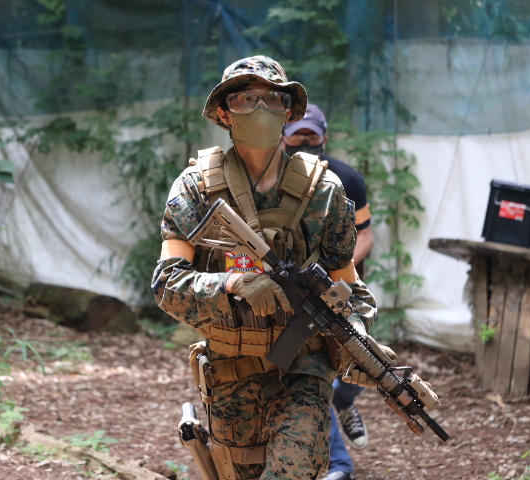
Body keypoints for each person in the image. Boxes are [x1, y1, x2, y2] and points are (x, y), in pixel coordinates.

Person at [152, 56, 394, 480]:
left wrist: (358, 338)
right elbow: (166, 284)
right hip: (229, 374)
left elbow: (350, 290)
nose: (260, 108)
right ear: (224, 113)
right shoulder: (195, 188)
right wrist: (233, 284)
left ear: (289, 111)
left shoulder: (325, 192)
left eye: (272, 99)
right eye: (246, 99)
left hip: (305, 371)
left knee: (291, 471)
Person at [282, 104, 374, 480]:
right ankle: (339, 465)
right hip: (294, 295)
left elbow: (365, 235)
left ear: (324, 137)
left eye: (311, 135)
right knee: (311, 370)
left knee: (365, 359)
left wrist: (337, 270)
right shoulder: (271, 182)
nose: (304, 141)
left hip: (343, 288)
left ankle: (343, 401)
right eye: (297, 135)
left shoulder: (347, 178)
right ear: (282, 138)